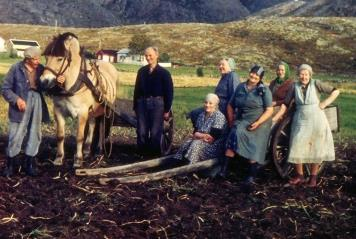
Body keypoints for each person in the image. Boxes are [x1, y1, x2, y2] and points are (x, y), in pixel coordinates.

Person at [282, 64, 339, 187]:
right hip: (300, 119)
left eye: (306, 74)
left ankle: (313, 177)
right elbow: (286, 103)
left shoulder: (316, 83)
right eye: (301, 74)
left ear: (310, 75)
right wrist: (277, 116)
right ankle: (300, 176)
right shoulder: (294, 86)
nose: (304, 77)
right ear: (298, 75)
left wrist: (324, 103)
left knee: (316, 146)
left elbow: (336, 91)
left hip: (317, 119)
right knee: (297, 144)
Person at [1, 46, 50, 177]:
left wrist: (59, 82)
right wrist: (16, 100)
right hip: (21, 102)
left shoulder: (41, 69)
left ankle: (29, 164)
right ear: (27, 59)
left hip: (37, 100)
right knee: (16, 133)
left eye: (39, 58)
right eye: (35, 59)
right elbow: (5, 89)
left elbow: (48, 87)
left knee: (35, 132)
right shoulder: (16, 68)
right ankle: (11, 165)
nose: (38, 61)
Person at [224, 65, 273, 183]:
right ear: (249, 72)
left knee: (247, 136)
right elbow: (230, 105)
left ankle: (251, 175)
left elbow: (269, 110)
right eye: (253, 73)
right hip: (243, 119)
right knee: (234, 131)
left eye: (257, 75)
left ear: (260, 78)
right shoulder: (241, 87)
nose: (254, 76)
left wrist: (258, 122)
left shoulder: (264, 90)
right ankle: (224, 170)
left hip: (260, 121)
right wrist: (231, 121)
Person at [133, 46, 174, 156]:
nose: (148, 57)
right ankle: (141, 153)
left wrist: (167, 110)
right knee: (141, 130)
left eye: (150, 55)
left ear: (156, 55)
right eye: (146, 55)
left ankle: (153, 156)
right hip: (142, 104)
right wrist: (135, 106)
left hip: (157, 104)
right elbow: (136, 90)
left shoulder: (164, 73)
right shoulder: (141, 71)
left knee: (156, 131)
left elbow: (169, 92)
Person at [174, 93, 227, 163]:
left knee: (195, 144)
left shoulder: (219, 117)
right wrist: (201, 135)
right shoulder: (201, 115)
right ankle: (178, 163)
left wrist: (197, 135)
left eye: (210, 103)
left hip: (213, 147)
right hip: (201, 141)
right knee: (187, 142)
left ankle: (191, 167)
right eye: (206, 102)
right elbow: (195, 133)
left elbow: (211, 139)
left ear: (216, 105)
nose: (207, 105)